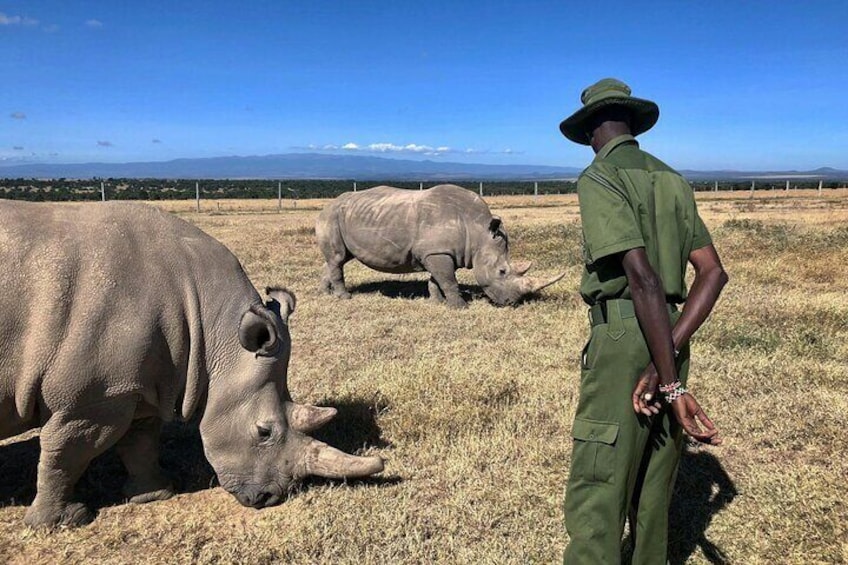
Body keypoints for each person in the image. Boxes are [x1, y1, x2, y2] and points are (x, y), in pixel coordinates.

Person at [559, 78, 729, 564]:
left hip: (624, 334)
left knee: (601, 476)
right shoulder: (673, 180)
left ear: (593, 129)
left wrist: (667, 383)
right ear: (633, 124)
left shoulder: (599, 177)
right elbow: (713, 273)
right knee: (656, 476)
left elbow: (643, 279)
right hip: (673, 334)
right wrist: (668, 359)